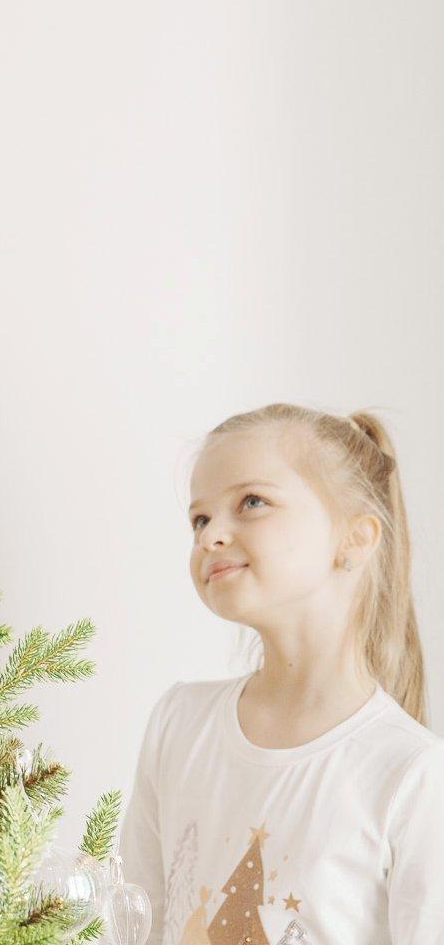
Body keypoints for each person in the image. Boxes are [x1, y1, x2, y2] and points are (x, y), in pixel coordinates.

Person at [120, 404, 444, 944]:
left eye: (251, 502)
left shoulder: (411, 774)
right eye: (199, 518)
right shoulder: (178, 724)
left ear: (357, 538)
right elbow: (136, 924)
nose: (209, 536)